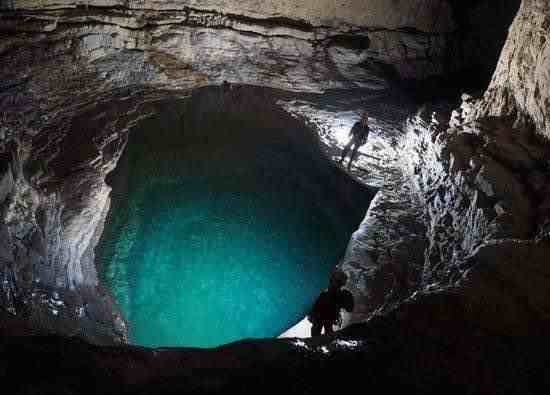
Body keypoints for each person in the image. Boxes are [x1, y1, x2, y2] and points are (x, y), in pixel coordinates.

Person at [307, 270, 354, 337]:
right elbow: (349, 308)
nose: (333, 284)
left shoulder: (335, 295)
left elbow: (349, 308)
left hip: (325, 317)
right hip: (323, 317)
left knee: (322, 329)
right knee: (322, 329)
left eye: (337, 282)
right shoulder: (325, 294)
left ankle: (318, 343)